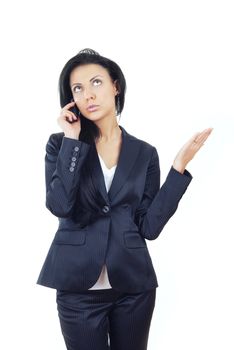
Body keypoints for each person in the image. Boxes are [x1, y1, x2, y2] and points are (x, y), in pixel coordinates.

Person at [36, 48, 213, 350]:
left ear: (115, 86)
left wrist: (178, 168)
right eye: (77, 88)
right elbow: (60, 206)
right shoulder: (63, 144)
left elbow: (148, 227)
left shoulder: (144, 153)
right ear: (71, 99)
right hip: (77, 289)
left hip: (133, 288)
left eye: (96, 83)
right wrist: (72, 139)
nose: (88, 95)